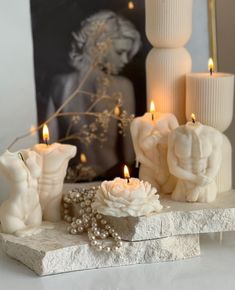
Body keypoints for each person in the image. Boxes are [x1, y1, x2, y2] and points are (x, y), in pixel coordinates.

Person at [49, 10, 141, 180]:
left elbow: (48, 148)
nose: (125, 60)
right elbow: (129, 153)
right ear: (100, 46)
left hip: (70, 179)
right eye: (120, 52)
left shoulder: (59, 84)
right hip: (111, 179)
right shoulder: (122, 87)